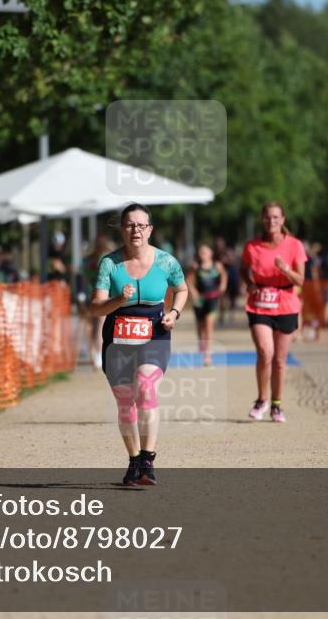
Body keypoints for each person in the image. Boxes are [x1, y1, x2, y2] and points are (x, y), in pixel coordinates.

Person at [90, 204, 188, 486]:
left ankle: (148, 458)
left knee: (145, 387)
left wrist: (174, 313)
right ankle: (133, 460)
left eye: (141, 225)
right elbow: (96, 308)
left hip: (154, 334)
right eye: (130, 225)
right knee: (124, 402)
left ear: (150, 229)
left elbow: (181, 289)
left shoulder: (166, 262)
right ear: (122, 229)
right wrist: (118, 300)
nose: (136, 230)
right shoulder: (109, 264)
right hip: (117, 338)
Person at [242, 201, 307, 423]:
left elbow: (301, 280)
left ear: (283, 220)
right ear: (263, 219)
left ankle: (277, 405)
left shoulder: (295, 245)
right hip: (260, 302)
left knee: (279, 360)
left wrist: (286, 269)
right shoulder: (252, 246)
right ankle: (262, 400)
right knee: (264, 351)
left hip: (286, 303)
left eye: (276, 217)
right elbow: (244, 270)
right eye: (268, 217)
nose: (272, 221)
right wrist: (249, 282)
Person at [186, 242, 228, 366]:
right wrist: (193, 291)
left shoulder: (217, 265)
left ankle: (208, 355)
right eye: (201, 252)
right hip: (200, 300)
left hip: (212, 298)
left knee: (209, 326)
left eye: (205, 252)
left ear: (211, 253)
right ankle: (201, 341)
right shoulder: (195, 266)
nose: (203, 254)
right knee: (200, 326)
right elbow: (188, 280)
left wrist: (223, 285)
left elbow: (224, 275)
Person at [80, 235, 113, 369]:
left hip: (90, 295)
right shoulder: (106, 259)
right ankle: (99, 353)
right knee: (100, 325)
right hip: (102, 295)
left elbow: (83, 276)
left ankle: (94, 352)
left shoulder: (88, 260)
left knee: (92, 325)